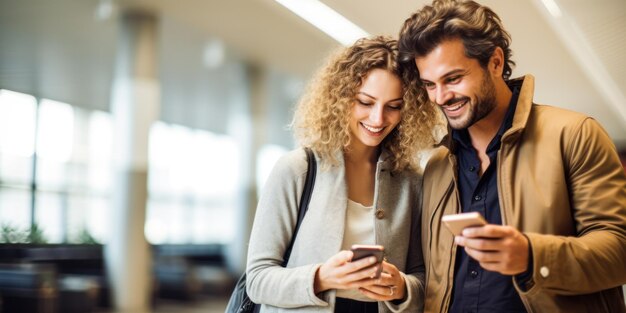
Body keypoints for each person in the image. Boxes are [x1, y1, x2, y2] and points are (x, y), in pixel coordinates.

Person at [397, 0, 626, 312]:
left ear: (494, 61)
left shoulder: (575, 134)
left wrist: (532, 256)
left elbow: (619, 249)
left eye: (453, 78)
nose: (441, 97)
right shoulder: (437, 164)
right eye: (429, 85)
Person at [245, 36, 439, 312]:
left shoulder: (412, 182)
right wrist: (321, 278)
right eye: (365, 102)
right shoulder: (298, 169)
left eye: (393, 106)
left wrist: (401, 287)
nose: (378, 119)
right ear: (341, 97)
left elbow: (423, 279)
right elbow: (257, 280)